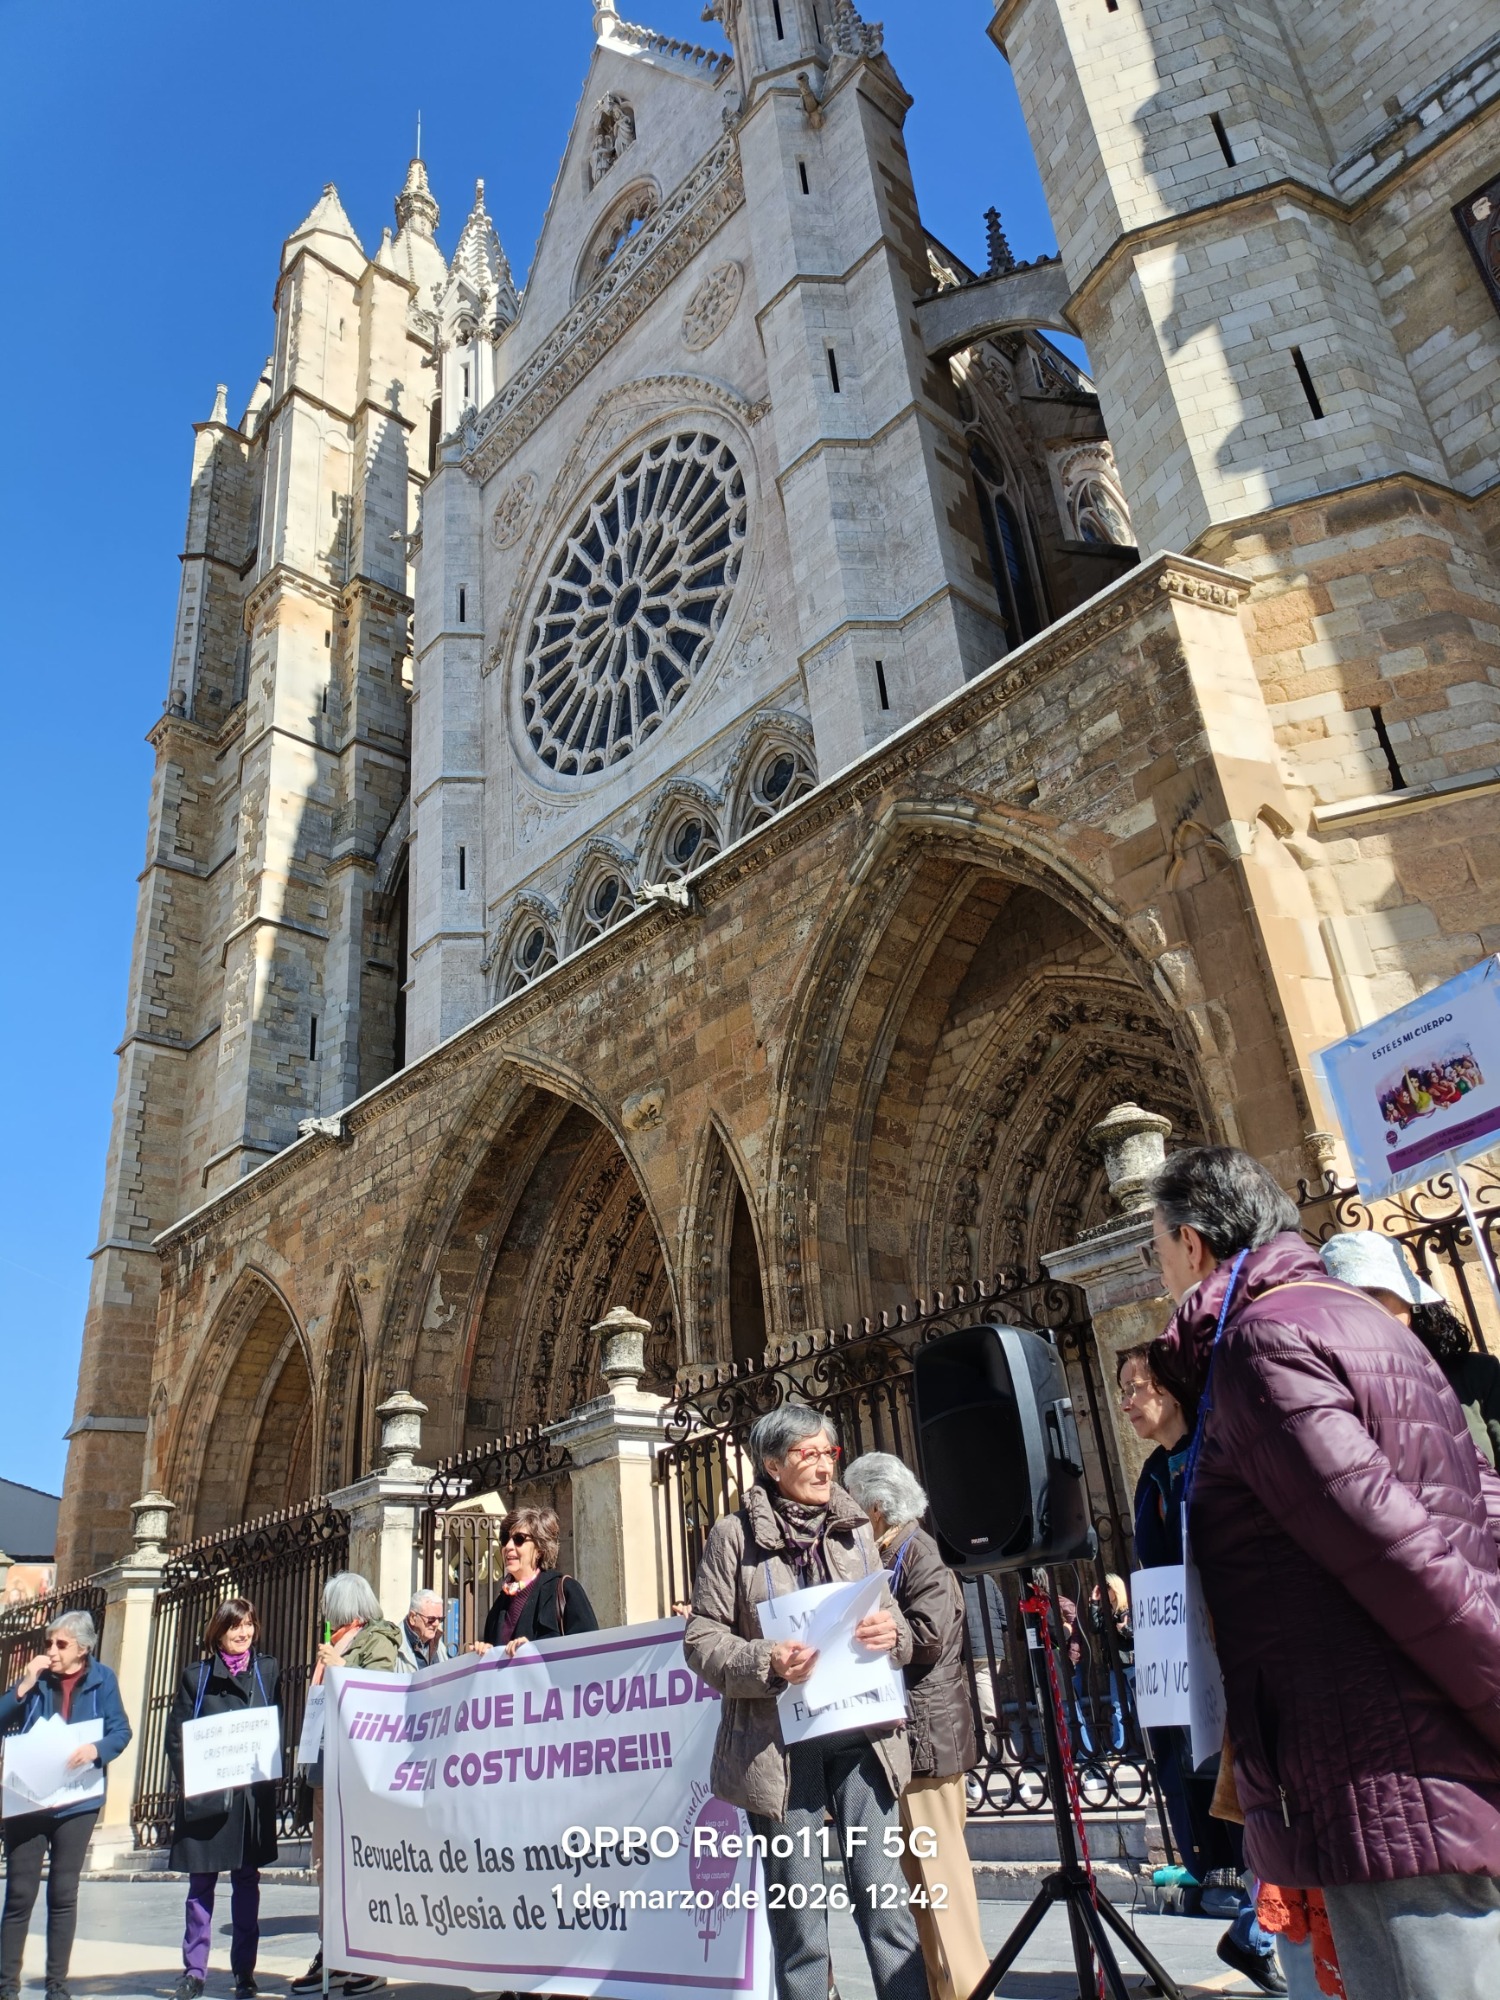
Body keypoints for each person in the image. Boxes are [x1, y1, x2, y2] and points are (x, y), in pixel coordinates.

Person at [1146, 1144, 1500, 2000]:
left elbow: (1395, 1549)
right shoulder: (1360, 1322)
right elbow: (1475, 1502)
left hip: (1377, 1768)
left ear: (1192, 1242)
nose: (1160, 1272)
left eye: (1156, 1248)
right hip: (1410, 1749)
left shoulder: (1263, 1343)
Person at [684, 1405, 927, 2000]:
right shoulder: (733, 1536)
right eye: (808, 1455)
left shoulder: (856, 1527)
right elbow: (701, 1639)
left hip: (863, 1738)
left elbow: (892, 1618)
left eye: (829, 1454)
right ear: (773, 1465)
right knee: (800, 1924)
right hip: (780, 1750)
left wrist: (892, 1633)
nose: (824, 1467)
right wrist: (766, 1660)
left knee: (886, 1906)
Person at [1116, 1344, 1285, 1993]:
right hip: (1188, 1662)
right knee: (1221, 1785)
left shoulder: (1216, 1452)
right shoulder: (1152, 1474)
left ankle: (1259, 1926)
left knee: (1262, 1784)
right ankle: (1256, 1923)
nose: (1126, 1403)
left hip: (1238, 1645)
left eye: (1135, 1388)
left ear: (1170, 1388)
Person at [843, 1451, 989, 2000]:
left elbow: (928, 1635)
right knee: (917, 1891)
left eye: (853, 1505)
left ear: (877, 1509)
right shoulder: (887, 1554)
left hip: (928, 1741)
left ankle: (969, 1991)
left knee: (940, 1885)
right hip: (904, 1740)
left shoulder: (918, 1553)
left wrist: (875, 1627)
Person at [0, 1610, 131, 2000]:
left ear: (82, 1648)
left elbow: (121, 1731)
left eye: (61, 1644)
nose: (52, 1651)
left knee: (63, 1893)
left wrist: (96, 1749)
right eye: (49, 1643)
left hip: (76, 1801)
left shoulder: (103, 1679)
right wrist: (23, 1686)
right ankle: (6, 1986)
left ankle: (57, 1986)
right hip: (29, 1800)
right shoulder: (36, 1680)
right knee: (19, 1894)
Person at [290, 1572, 401, 1998]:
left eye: (329, 1606)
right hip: (325, 1772)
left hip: (355, 1773)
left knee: (359, 1868)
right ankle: (333, 1952)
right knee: (328, 1868)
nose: (325, 1615)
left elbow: (382, 1695)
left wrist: (343, 1668)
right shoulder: (333, 1644)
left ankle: (370, 1958)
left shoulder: (377, 1640)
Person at [165, 1597, 280, 2000]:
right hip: (209, 1799)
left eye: (249, 1624)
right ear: (218, 1631)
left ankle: (244, 1971)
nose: (243, 1632)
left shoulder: (267, 1670)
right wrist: (197, 1779)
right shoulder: (195, 1677)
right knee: (201, 1887)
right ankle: (194, 1971)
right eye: (235, 1626)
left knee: (247, 1884)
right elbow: (177, 1738)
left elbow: (275, 1724)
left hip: (248, 1801)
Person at [1318, 1230, 1500, 1466]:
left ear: (1408, 1299)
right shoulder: (1329, 1397)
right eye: (1346, 1297)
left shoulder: (1477, 1374)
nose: (1362, 1306)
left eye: (1374, 1293)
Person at [473, 1507, 598, 1655]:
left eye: (519, 1539)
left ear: (539, 1548)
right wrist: (486, 1654)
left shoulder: (564, 1590)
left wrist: (535, 1651)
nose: (508, 1547)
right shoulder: (498, 1606)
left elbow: (591, 1652)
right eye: (505, 1539)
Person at [395, 1588, 449, 1672]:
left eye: (440, 1619)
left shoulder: (439, 1645)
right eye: (431, 1619)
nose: (436, 1624)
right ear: (413, 1617)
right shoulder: (394, 1646)